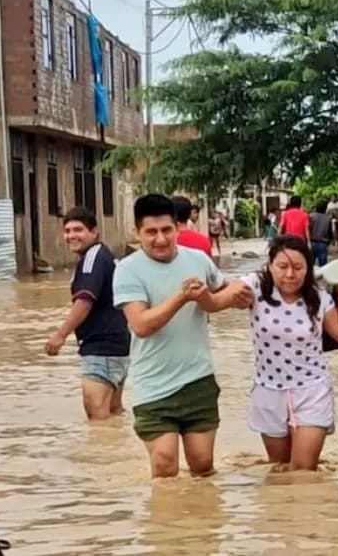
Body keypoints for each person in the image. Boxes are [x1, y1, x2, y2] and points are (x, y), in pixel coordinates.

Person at [113, 194, 230, 479]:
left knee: (202, 465)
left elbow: (224, 293)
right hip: (152, 386)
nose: (161, 239)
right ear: (137, 233)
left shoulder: (198, 259)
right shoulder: (127, 270)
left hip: (198, 379)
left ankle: (203, 522)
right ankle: (163, 522)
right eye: (151, 232)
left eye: (167, 230)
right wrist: (182, 297)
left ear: (177, 228)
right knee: (164, 464)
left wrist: (245, 292)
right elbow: (140, 324)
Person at [218, 236, 338, 470]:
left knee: (303, 469)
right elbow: (221, 299)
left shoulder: (318, 297)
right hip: (268, 390)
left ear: (308, 269)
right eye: (282, 267)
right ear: (270, 266)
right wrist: (207, 296)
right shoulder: (255, 287)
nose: (290, 275)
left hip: (312, 389)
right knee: (279, 468)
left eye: (298, 267)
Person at [45, 207, 131, 420]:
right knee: (114, 414)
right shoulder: (104, 255)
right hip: (118, 345)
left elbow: (84, 301)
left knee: (97, 418)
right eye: (67, 231)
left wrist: (60, 334)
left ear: (94, 232)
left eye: (78, 230)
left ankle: (103, 454)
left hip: (101, 347)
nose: (71, 236)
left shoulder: (93, 259)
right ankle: (120, 452)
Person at [309, 201, 335, 267]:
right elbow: (330, 231)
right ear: (325, 208)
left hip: (312, 242)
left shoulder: (311, 216)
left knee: (310, 264)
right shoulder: (328, 217)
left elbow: (308, 229)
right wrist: (329, 241)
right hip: (323, 243)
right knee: (323, 266)